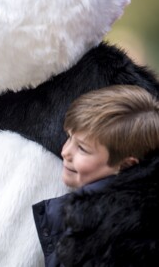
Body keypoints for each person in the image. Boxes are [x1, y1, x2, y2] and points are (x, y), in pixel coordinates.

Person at [33, 85, 159, 267]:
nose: (65, 151)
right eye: (69, 137)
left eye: (82, 149)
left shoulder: (107, 242)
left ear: (125, 164)